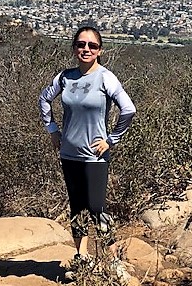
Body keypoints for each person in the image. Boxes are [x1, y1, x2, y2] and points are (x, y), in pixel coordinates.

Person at [39, 26, 136, 283]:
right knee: (77, 207)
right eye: (81, 45)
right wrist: (52, 129)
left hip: (94, 156)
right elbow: (44, 98)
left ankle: (113, 261)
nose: (86, 49)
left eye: (92, 46)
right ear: (74, 48)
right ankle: (81, 257)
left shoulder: (106, 78)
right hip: (69, 153)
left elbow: (128, 110)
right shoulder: (65, 78)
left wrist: (111, 140)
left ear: (99, 50)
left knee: (96, 207)